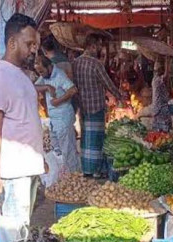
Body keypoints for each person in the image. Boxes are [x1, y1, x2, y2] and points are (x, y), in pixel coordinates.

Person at [0, 13, 44, 225]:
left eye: (35, 44)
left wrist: (40, 157)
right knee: (14, 234)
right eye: (29, 44)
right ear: (12, 43)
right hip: (14, 172)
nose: (34, 50)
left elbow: (26, 118)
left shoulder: (21, 75)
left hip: (28, 167)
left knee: (22, 228)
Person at [72, 33, 125, 177]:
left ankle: (86, 169)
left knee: (86, 138)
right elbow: (107, 83)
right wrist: (120, 96)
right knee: (96, 139)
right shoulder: (95, 64)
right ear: (92, 46)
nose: (99, 49)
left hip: (83, 106)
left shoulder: (76, 63)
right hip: (96, 106)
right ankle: (96, 171)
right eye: (98, 46)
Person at [34, 54, 80, 173]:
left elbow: (73, 89)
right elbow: (33, 86)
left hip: (63, 118)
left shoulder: (59, 75)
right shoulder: (45, 76)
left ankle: (74, 176)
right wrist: (47, 87)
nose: (41, 74)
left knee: (68, 150)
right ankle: (64, 174)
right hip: (54, 120)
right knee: (57, 150)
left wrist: (58, 101)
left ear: (49, 67)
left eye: (42, 71)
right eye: (39, 72)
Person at [151, 60, 172, 131]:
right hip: (159, 107)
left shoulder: (156, 79)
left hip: (159, 106)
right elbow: (166, 75)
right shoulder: (157, 80)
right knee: (162, 127)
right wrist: (167, 61)